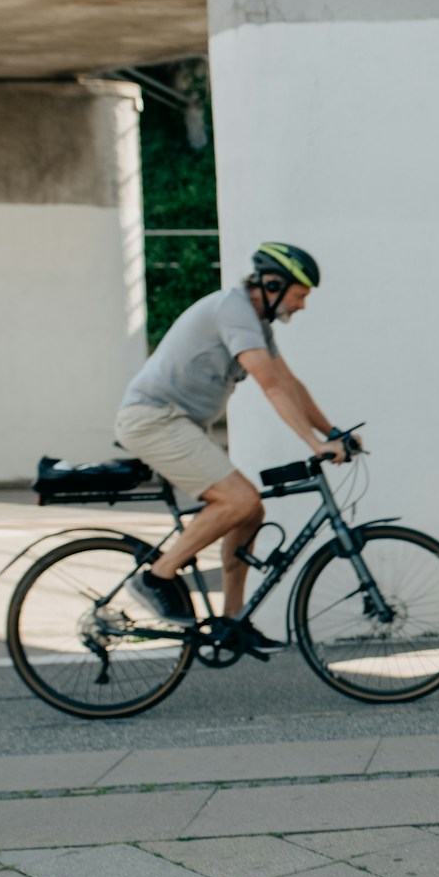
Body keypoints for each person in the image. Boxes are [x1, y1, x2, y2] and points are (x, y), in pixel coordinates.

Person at [115, 242, 357, 654]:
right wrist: (315, 443)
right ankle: (156, 576)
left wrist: (333, 431)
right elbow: (272, 385)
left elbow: (292, 384)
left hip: (179, 423)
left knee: (250, 510)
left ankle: (233, 621)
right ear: (273, 284)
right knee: (237, 501)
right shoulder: (234, 311)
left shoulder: (255, 325)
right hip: (155, 418)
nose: (301, 306)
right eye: (300, 295)